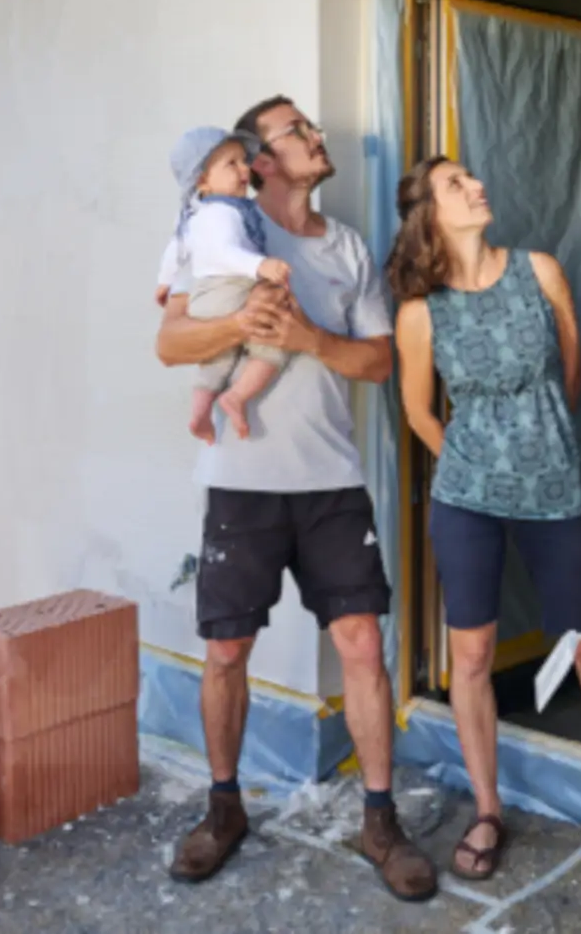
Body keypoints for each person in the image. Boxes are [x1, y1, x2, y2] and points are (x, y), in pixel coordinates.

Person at [155, 96, 438, 903]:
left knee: (361, 644)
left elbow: (380, 364)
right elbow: (171, 341)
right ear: (261, 158)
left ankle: (378, 820)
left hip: (332, 485)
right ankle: (223, 810)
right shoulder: (230, 231)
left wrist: (312, 338)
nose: (316, 136)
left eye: (311, 126)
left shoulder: (346, 245)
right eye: (297, 130)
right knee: (226, 652)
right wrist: (242, 318)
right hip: (240, 486)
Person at [386, 155, 581, 882]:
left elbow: (574, 377)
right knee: (473, 655)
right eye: (456, 185)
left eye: (473, 177)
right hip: (468, 499)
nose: (476, 186)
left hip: (554, 485)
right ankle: (487, 808)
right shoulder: (421, 311)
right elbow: (420, 409)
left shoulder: (541, 270)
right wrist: (469, 460)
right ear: (430, 213)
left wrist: (535, 438)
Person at [166, 126, 293, 443]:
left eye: (243, 161)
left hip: (210, 296)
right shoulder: (222, 212)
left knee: (216, 364)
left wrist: (162, 282)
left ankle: (199, 413)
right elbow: (226, 253)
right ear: (202, 181)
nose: (244, 169)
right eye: (232, 164)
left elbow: (176, 251)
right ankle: (237, 397)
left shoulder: (198, 215)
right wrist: (260, 265)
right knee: (271, 345)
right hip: (230, 287)